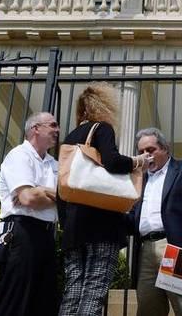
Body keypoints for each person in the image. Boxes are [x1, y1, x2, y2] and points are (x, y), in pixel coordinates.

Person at [57, 82, 152, 316]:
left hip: (73, 228)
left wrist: (65, 223)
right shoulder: (102, 128)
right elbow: (112, 162)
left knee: (73, 291)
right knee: (94, 290)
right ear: (104, 106)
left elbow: (62, 185)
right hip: (102, 225)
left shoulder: (70, 138)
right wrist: (138, 161)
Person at [127, 127, 182, 316]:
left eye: (150, 150)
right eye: (141, 151)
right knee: (148, 309)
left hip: (177, 247)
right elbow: (132, 217)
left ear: (165, 148)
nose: (145, 155)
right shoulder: (140, 179)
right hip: (145, 250)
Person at [0, 111, 60, 316]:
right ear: (35, 128)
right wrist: (56, 195)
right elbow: (28, 199)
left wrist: (42, 191)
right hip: (21, 231)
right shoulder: (19, 155)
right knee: (16, 303)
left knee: (43, 305)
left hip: (47, 234)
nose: (57, 130)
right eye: (53, 125)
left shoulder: (54, 163)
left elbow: (69, 197)